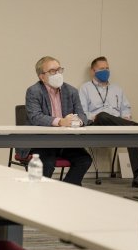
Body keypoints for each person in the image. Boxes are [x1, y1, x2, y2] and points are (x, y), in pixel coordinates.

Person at [79, 56, 138, 189]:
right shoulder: (85, 88)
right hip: (96, 125)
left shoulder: (117, 89)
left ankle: (137, 176)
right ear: (93, 71)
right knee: (103, 115)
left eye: (107, 68)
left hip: (117, 126)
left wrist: (126, 117)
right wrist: (95, 116)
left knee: (133, 133)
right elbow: (82, 113)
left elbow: (125, 108)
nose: (106, 71)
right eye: (102, 68)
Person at [25, 56, 93, 185]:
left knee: (84, 159)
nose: (57, 74)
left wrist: (77, 121)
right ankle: (39, 196)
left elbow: (82, 115)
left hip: (65, 140)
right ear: (42, 76)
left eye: (59, 70)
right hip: (42, 141)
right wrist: (61, 121)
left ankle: (66, 190)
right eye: (52, 71)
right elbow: (35, 117)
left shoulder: (71, 91)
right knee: (47, 164)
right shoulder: (34, 91)